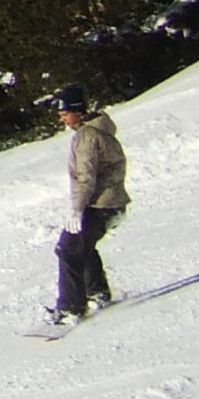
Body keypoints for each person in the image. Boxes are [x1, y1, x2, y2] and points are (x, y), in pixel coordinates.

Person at [49, 83, 128, 323]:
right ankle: (97, 291)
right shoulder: (99, 129)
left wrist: (77, 210)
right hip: (112, 202)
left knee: (68, 249)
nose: (63, 120)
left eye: (65, 114)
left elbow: (86, 176)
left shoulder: (87, 136)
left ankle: (71, 307)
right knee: (81, 245)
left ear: (77, 110)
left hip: (101, 204)